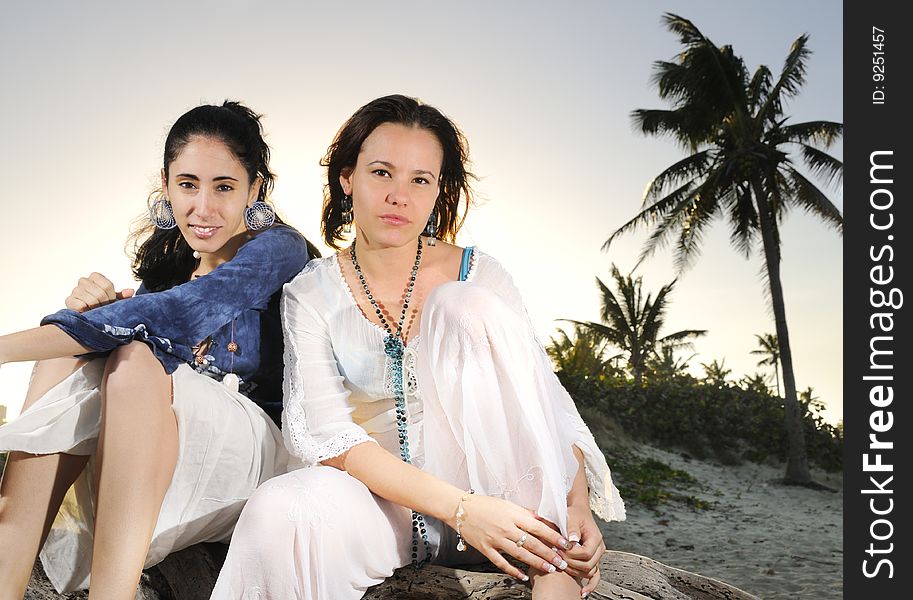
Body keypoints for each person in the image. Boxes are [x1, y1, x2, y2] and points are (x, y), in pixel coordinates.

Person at [210, 94, 625, 600]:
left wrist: (574, 503)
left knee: (463, 306)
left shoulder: (482, 274)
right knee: (278, 508)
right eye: (382, 173)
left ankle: (556, 567)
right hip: (379, 508)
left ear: (436, 191)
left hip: (504, 504)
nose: (398, 196)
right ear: (348, 179)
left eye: (420, 180)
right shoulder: (310, 293)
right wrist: (460, 511)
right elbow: (332, 438)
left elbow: (542, 399)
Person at [0, 101, 316, 599]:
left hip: (258, 456)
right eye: (188, 184)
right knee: (65, 358)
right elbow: (134, 326)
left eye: (224, 187)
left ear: (255, 190)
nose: (203, 207)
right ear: (166, 187)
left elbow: (183, 314)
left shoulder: (280, 249)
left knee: (131, 354)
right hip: (157, 460)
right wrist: (91, 314)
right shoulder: (161, 279)